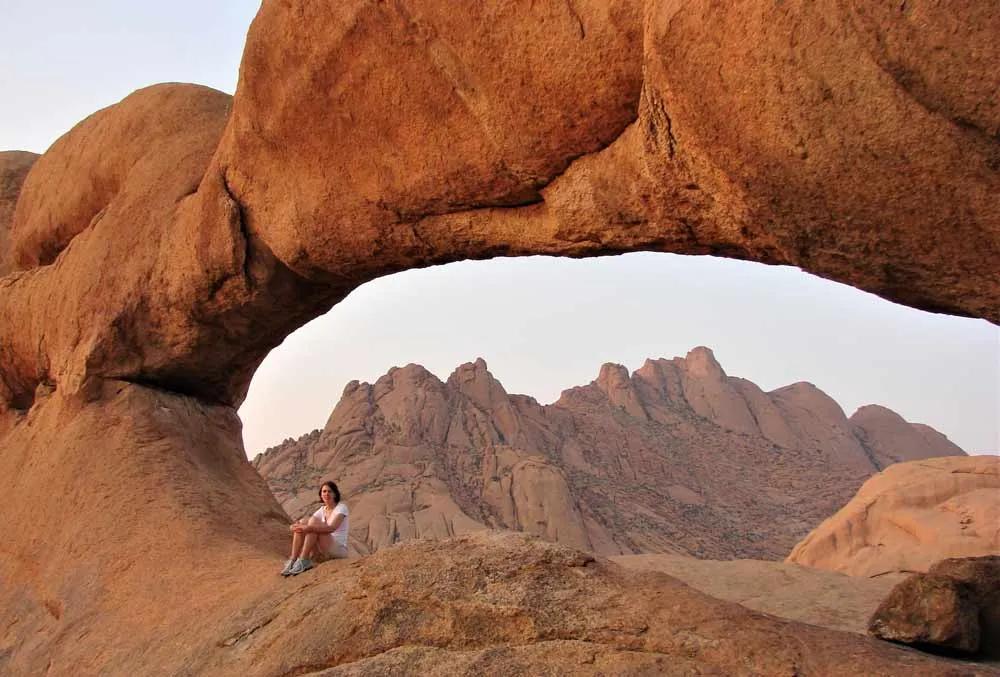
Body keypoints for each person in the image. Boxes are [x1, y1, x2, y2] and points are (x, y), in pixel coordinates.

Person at [281, 480, 350, 576]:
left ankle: (304, 559)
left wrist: (307, 527)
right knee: (303, 522)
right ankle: (293, 559)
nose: (326, 494)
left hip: (338, 549)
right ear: (321, 495)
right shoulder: (322, 510)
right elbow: (306, 523)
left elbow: (331, 528)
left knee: (312, 525)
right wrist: (294, 526)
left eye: (330, 491)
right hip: (325, 547)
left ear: (335, 494)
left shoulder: (341, 508)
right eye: (324, 491)